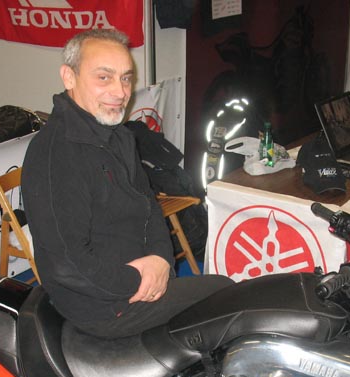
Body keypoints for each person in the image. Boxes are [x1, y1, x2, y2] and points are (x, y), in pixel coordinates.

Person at [21, 29, 232, 339]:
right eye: (104, 78)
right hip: (104, 305)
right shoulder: (56, 154)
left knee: (227, 297)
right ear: (69, 77)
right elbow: (65, 265)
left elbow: (149, 204)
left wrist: (161, 259)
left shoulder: (119, 136)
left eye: (125, 78)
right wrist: (139, 280)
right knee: (226, 295)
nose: (120, 92)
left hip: (137, 276)